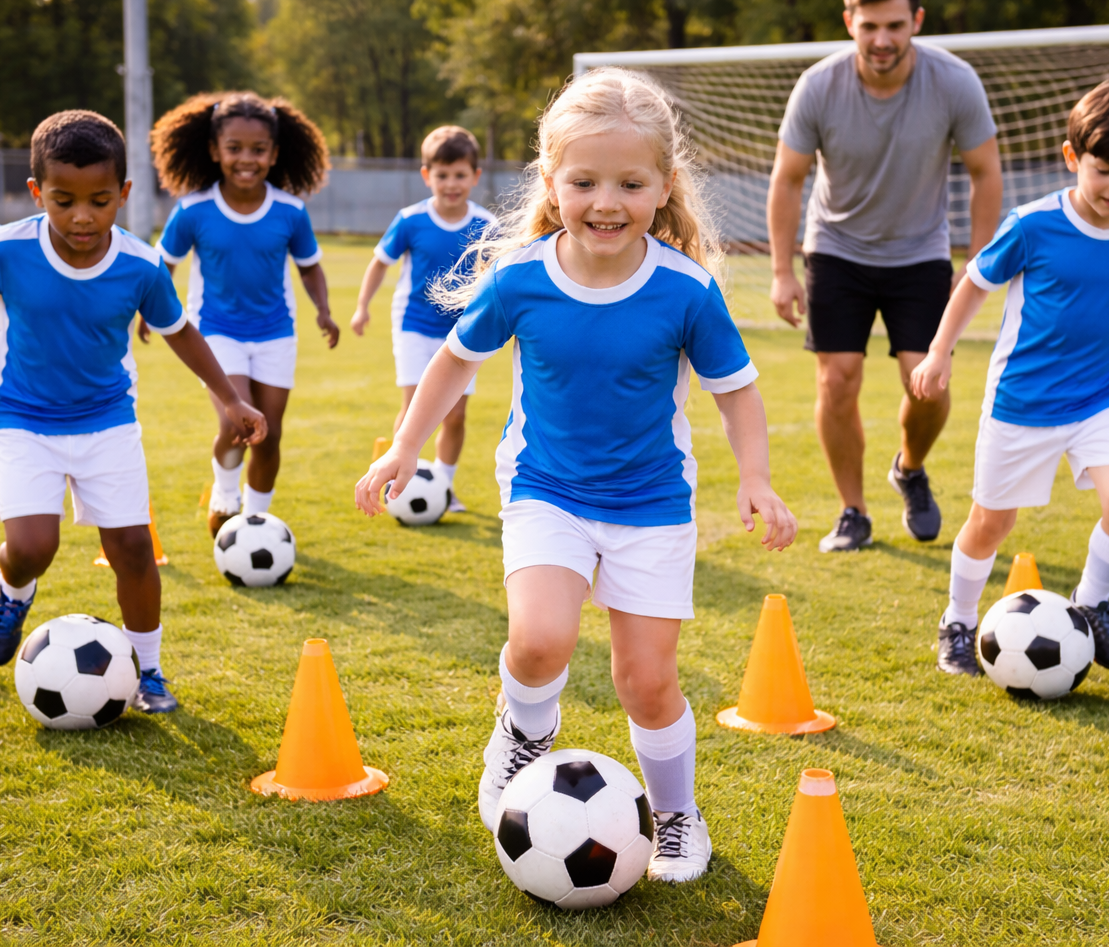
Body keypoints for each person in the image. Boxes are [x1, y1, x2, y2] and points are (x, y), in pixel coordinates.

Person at [354, 69, 796, 882]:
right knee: (541, 639)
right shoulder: (522, 278)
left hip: (652, 504)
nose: (606, 201)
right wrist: (403, 447)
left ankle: (673, 817)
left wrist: (756, 480)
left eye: (630, 183)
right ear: (552, 185)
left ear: (664, 188)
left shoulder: (685, 289)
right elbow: (453, 364)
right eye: (584, 181)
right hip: (545, 489)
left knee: (647, 684)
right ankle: (522, 735)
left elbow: (738, 394)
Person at [0, 110, 267, 711]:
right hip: (20, 415)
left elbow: (179, 330)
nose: (83, 216)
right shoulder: (6, 248)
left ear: (124, 194)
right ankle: (11, 590)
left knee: (132, 547)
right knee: (32, 546)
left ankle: (147, 671)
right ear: (37, 193)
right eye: (63, 200)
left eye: (101, 200)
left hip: (107, 416)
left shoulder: (141, 264)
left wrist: (230, 398)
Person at [909, 81, 1109, 677]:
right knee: (991, 523)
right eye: (1105, 170)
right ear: (1073, 157)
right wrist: (939, 352)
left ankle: (1093, 606)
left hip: (1104, 397)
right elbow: (973, 283)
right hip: (1021, 402)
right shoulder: (1033, 225)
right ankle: (959, 619)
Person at [767, 0, 1003, 550]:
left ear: (916, 20)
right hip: (837, 250)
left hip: (920, 252)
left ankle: (910, 468)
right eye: (869, 25)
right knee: (837, 381)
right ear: (850, 22)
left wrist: (977, 265)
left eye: (895, 25)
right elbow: (788, 179)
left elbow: (985, 172)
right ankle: (853, 512)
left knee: (930, 385)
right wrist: (780, 271)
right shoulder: (818, 87)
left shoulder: (954, 82)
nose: (882, 39)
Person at [148, 92, 335, 536]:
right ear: (215, 151)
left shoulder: (290, 212)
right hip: (215, 332)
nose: (245, 159)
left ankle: (255, 518)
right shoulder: (193, 210)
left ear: (273, 154)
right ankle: (226, 494)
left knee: (269, 436)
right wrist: (147, 310)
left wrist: (324, 310)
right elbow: (160, 267)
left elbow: (310, 269)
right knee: (238, 421)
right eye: (234, 148)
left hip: (275, 334)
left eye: (258, 149)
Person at [350, 126, 495, 510]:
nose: (451, 184)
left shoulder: (486, 225)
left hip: (463, 331)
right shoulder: (410, 219)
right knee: (414, 407)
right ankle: (396, 485)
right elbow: (380, 263)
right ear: (426, 175)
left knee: (456, 412)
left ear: (475, 177)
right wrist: (362, 306)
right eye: (442, 175)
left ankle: (442, 489)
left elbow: (497, 276)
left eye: (460, 175)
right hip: (413, 325)